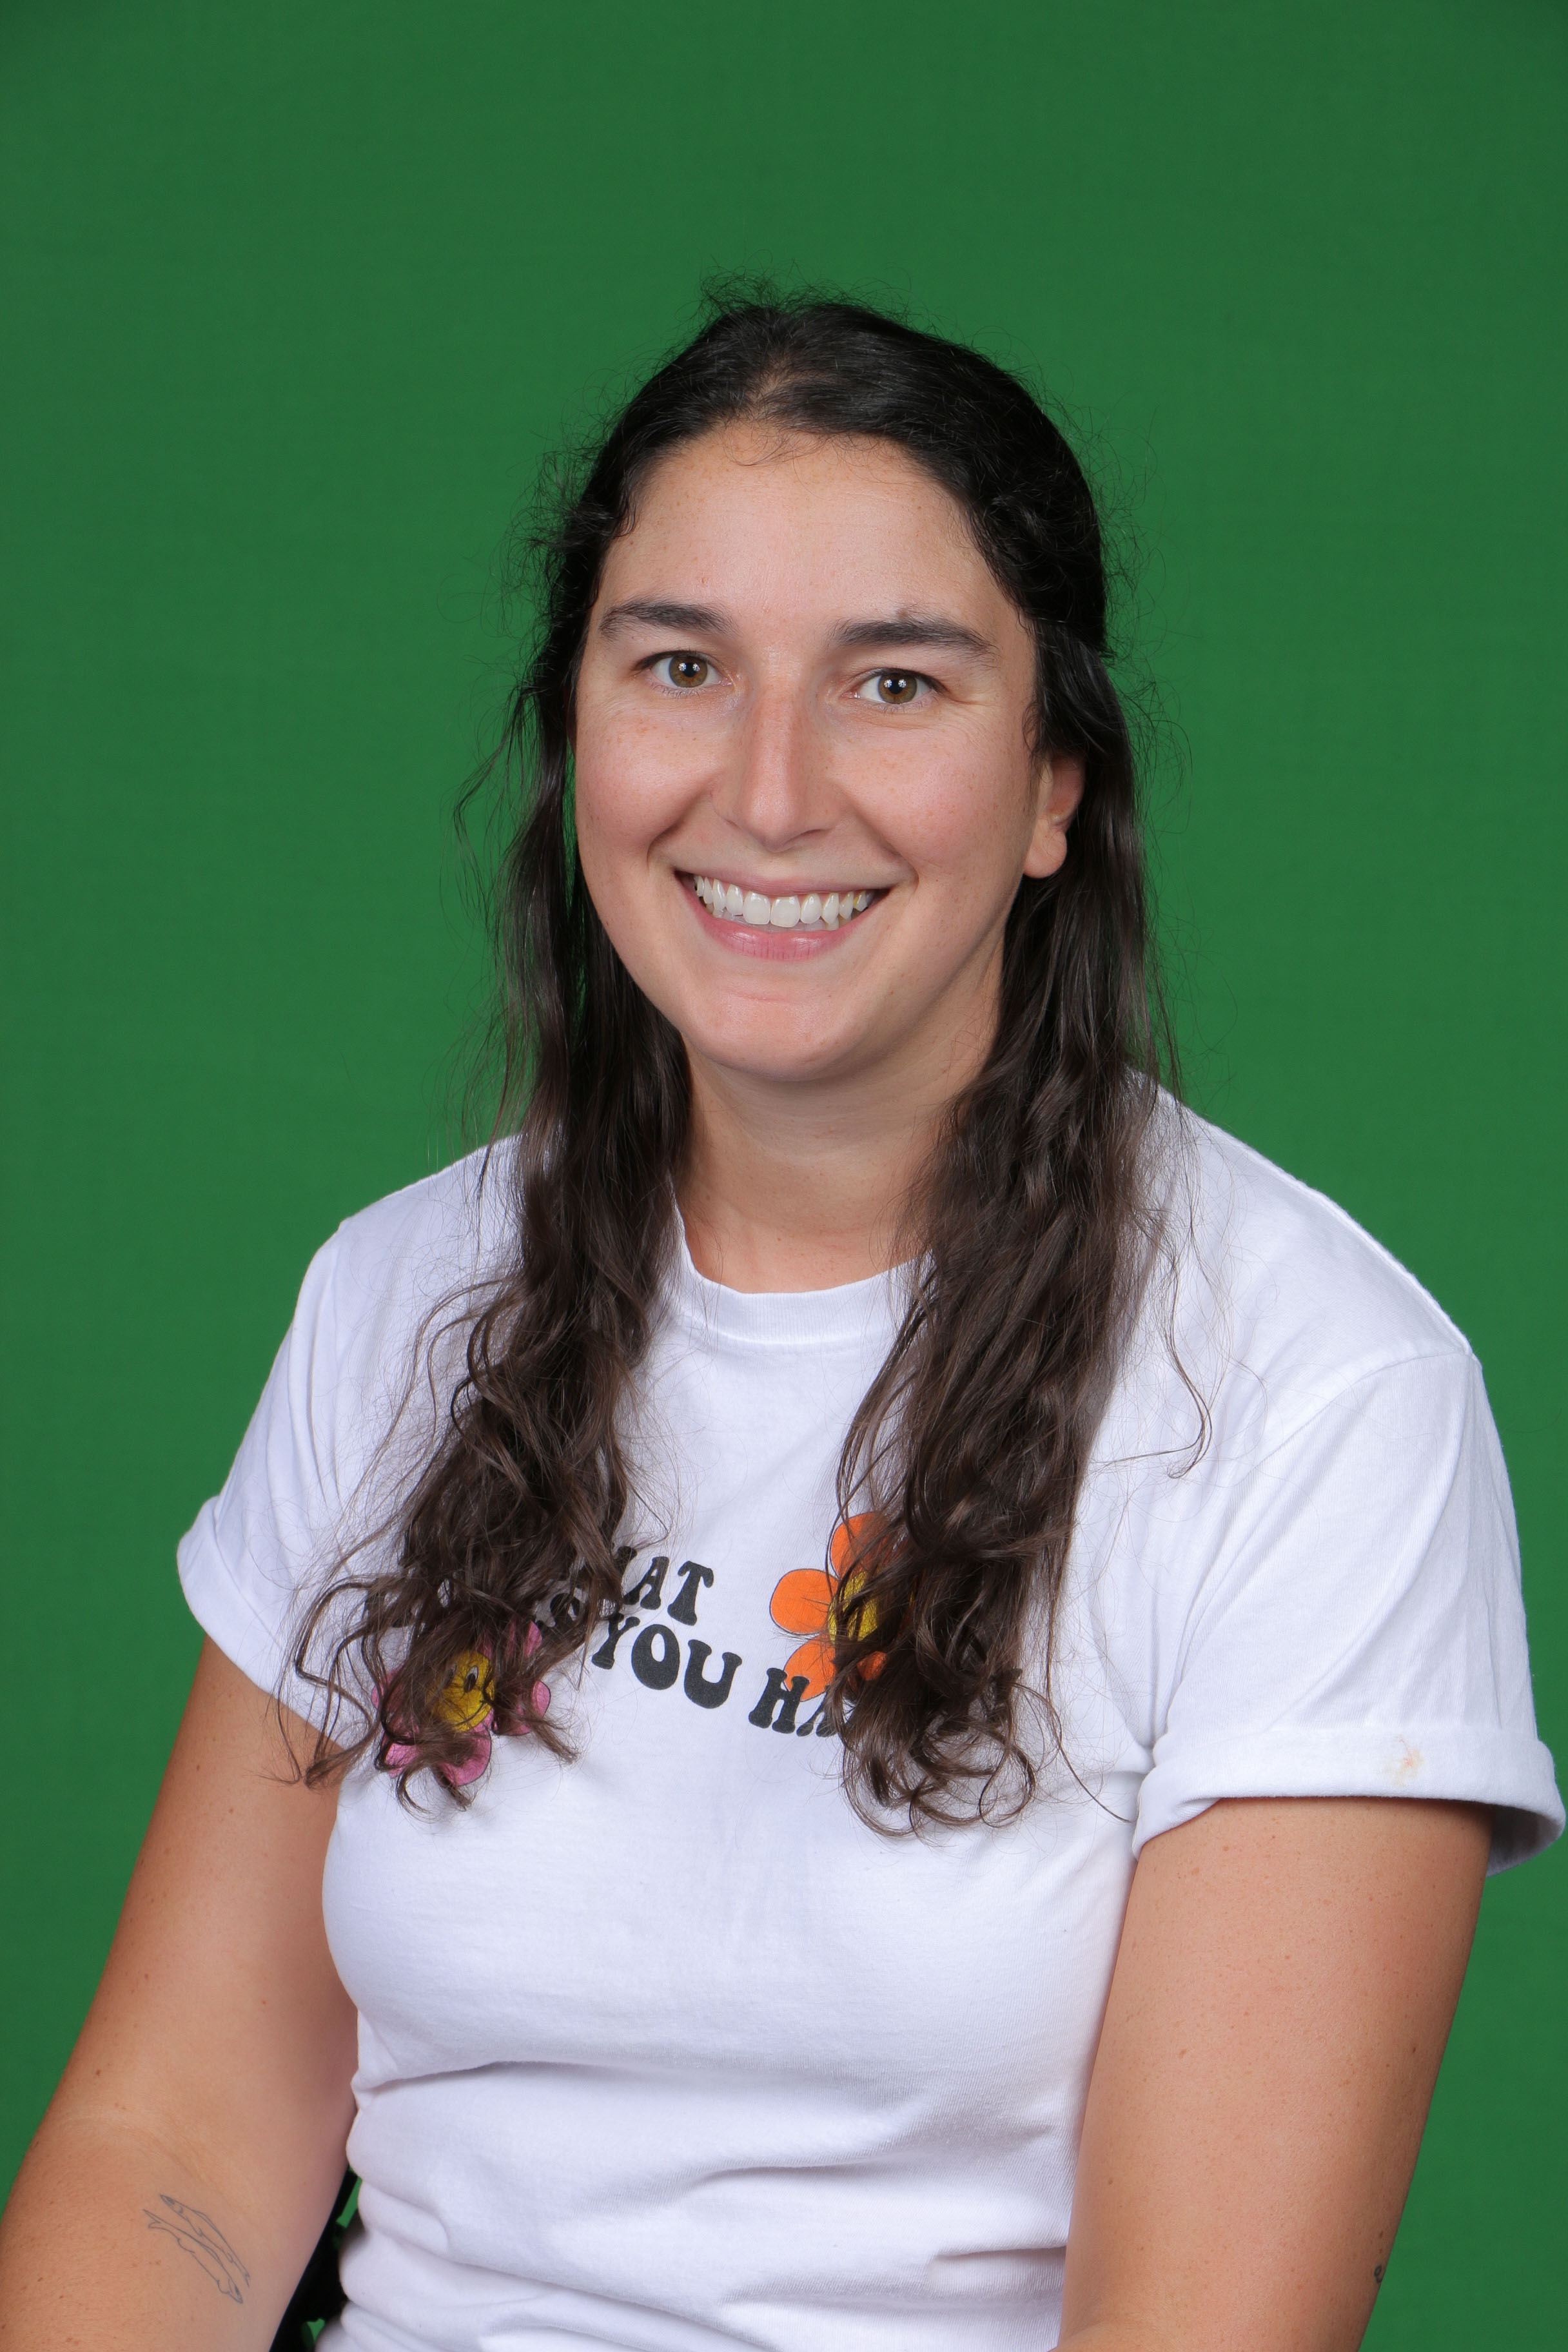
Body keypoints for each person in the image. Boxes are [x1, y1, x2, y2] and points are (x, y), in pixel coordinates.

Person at [0, 295, 1558, 2352]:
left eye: (894, 683)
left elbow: (1201, 2322)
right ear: (578, 730)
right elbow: (177, 2154)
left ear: (1054, 785)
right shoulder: (403, 1297)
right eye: (680, 666)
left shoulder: (1318, 1394)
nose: (770, 788)